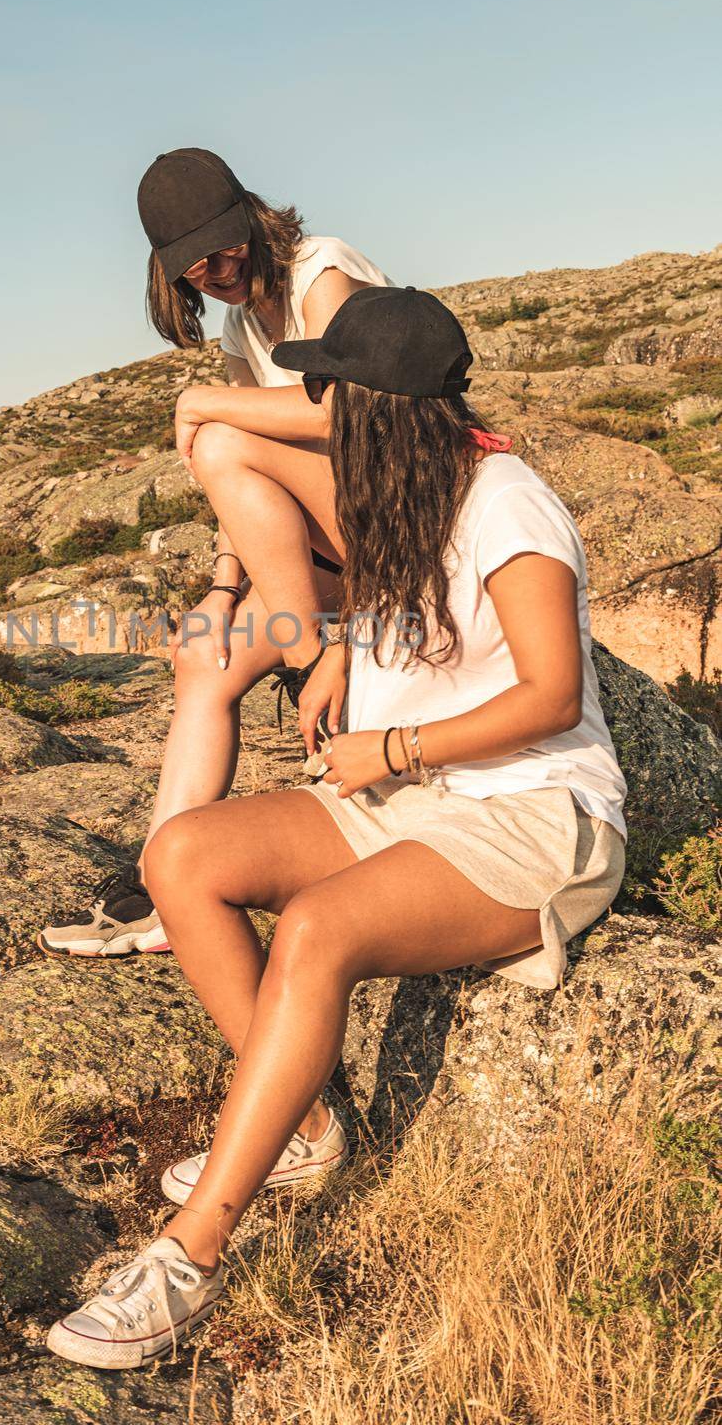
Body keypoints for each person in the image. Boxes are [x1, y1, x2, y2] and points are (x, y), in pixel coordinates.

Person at [46, 285, 627, 1370]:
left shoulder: (506, 504)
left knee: (314, 926)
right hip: (420, 800)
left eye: (329, 394)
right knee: (182, 857)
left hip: (534, 817)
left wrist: (392, 749)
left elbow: (550, 694)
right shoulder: (406, 488)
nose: (313, 407)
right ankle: (304, 1131)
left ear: (379, 412)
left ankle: (190, 1254)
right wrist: (349, 652)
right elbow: (376, 592)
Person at [40, 149, 391, 958]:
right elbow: (254, 476)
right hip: (331, 544)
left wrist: (201, 400)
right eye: (192, 262)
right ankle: (163, 884)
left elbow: (361, 406)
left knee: (221, 430)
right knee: (204, 658)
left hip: (398, 521)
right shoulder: (240, 326)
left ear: (250, 220)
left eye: (223, 244)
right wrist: (222, 589)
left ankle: (311, 664)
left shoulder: (322, 273)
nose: (216, 268)